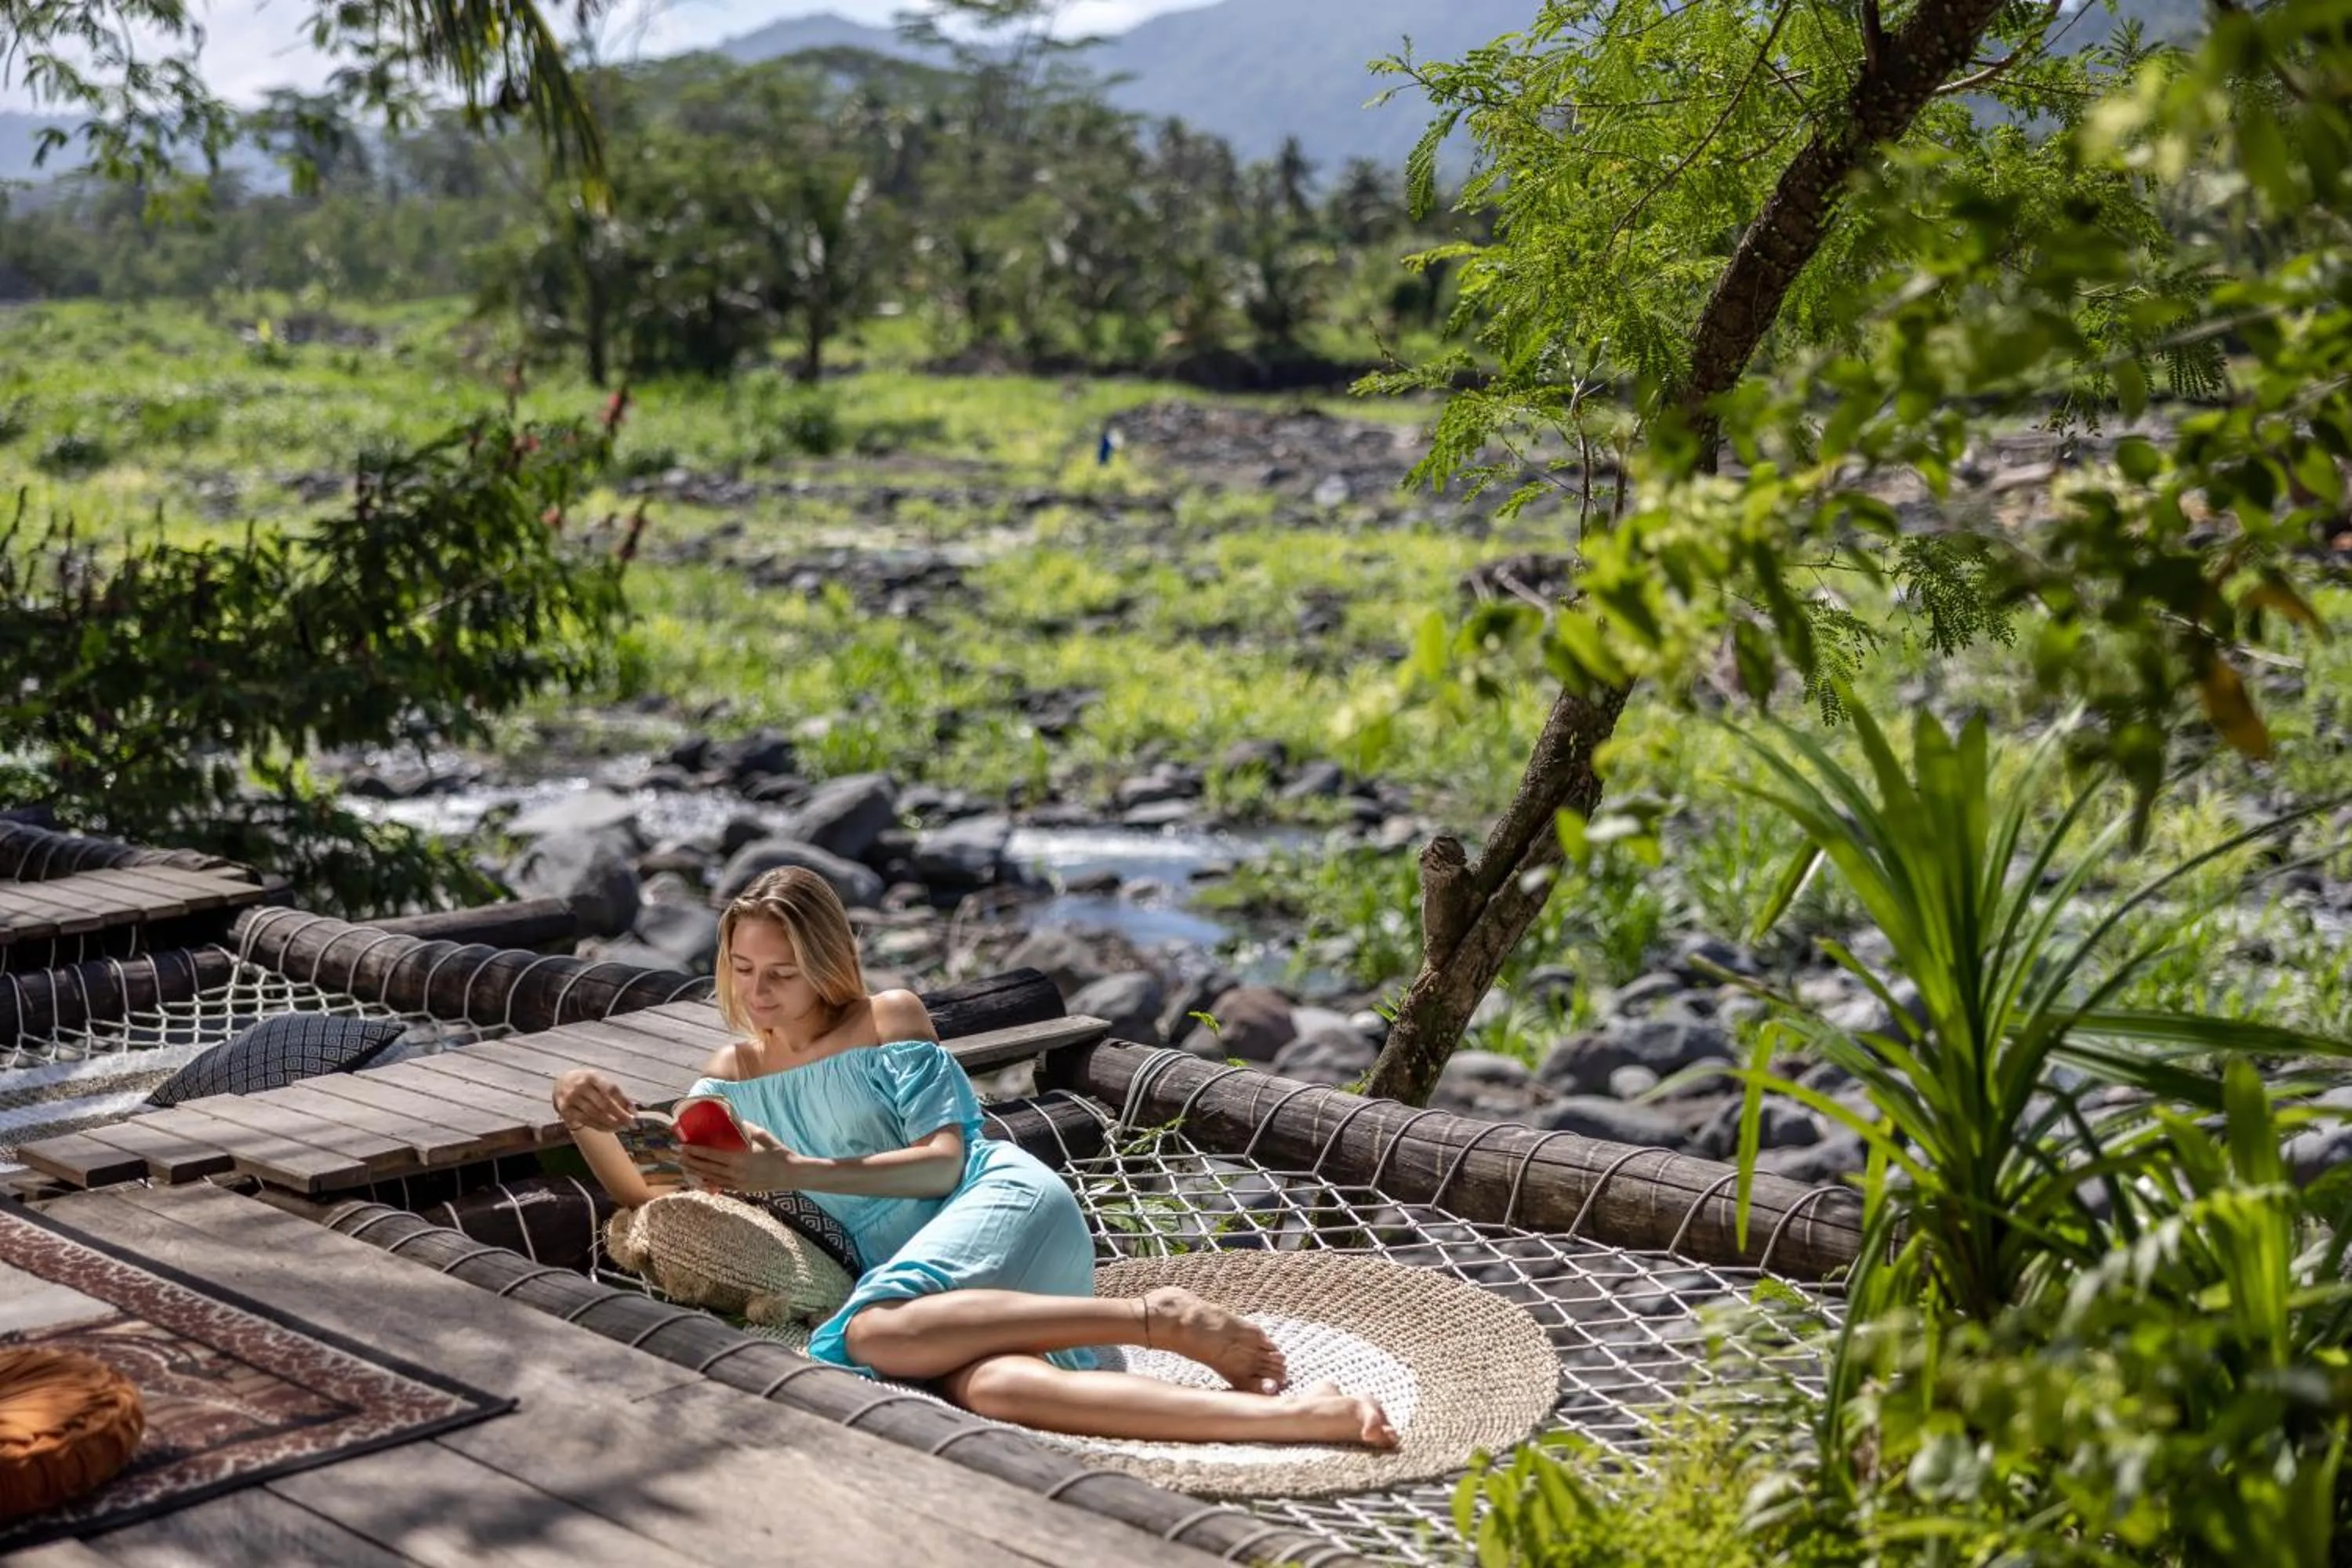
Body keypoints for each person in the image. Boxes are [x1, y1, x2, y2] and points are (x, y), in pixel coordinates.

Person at [554, 866, 1398, 1448]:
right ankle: (1299, 1421)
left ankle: (1156, 1317)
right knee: (993, 1387)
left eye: (784, 970)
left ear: (827, 962)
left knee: (877, 1332)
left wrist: (794, 1175)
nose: (760, 991)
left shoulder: (887, 1018)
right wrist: (584, 1113)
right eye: (743, 969)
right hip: (925, 1294)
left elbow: (939, 1165)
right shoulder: (728, 1078)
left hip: (994, 1205)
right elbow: (652, 1193)